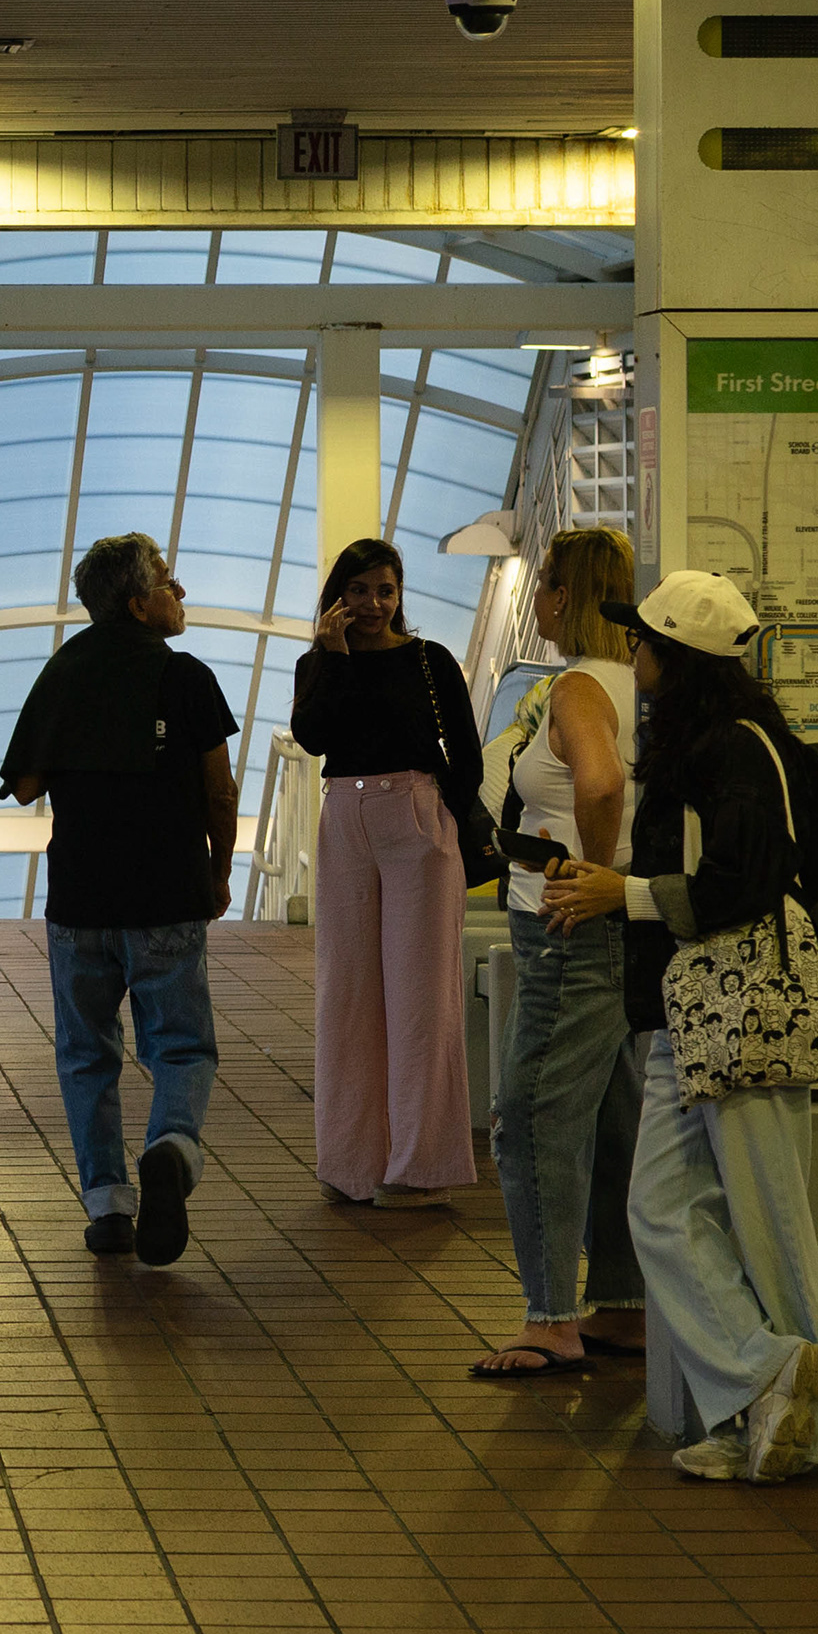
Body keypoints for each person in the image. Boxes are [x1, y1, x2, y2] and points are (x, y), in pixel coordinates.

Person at [540, 571, 818, 1483]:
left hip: (742, 1001)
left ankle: (797, 1425)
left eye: (643, 643)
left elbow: (738, 886)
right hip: (699, 1006)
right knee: (661, 1213)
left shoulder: (733, 752)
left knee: (768, 1222)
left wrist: (617, 893)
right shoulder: (715, 745)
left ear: (676, 658)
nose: (632, 656)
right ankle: (760, 1384)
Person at [0, 534, 239, 1266]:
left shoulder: (65, 669)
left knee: (85, 1051)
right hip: (166, 890)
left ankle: (106, 1205)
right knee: (182, 1044)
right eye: (167, 580)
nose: (180, 591)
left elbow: (29, 785)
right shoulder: (185, 677)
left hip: (81, 898)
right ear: (139, 603)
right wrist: (219, 872)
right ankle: (170, 1148)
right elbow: (219, 791)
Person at [471, 526, 649, 1378]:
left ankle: (550, 1319)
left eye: (545, 581)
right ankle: (621, 1301)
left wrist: (589, 874)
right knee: (613, 1117)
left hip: (568, 935)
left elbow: (601, 782)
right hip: (624, 935)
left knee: (533, 1116)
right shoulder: (641, 682)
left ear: (568, 595)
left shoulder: (579, 686)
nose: (536, 595)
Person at [292, 537, 478, 1208]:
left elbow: (467, 755)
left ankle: (419, 1167)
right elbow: (315, 739)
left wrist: (444, 824)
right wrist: (334, 659)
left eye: (386, 590)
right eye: (361, 589)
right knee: (347, 992)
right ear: (339, 594)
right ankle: (351, 1163)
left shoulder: (430, 661)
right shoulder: (317, 663)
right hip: (345, 814)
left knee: (421, 994)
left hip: (418, 816)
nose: (373, 603)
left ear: (401, 597)